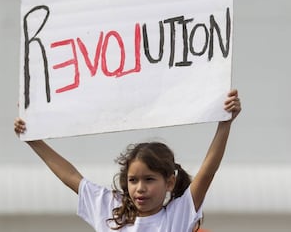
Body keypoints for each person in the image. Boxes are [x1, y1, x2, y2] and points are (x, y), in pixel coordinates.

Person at [14, 89, 241, 232]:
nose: (140, 188)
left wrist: (225, 124)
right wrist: (34, 140)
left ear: (169, 182)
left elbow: (208, 170)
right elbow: (70, 176)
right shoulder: (110, 210)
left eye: (149, 179)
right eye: (133, 180)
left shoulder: (177, 216)